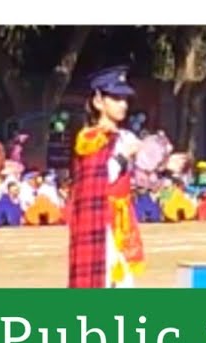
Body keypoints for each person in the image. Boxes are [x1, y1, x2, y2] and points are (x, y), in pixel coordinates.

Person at [67, 66, 185, 288]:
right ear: (98, 101)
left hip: (123, 219)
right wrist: (123, 156)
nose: (123, 104)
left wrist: (166, 168)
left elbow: (141, 177)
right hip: (100, 219)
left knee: (124, 282)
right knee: (103, 279)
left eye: (124, 99)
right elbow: (96, 180)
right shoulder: (90, 138)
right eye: (115, 98)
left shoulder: (125, 136)